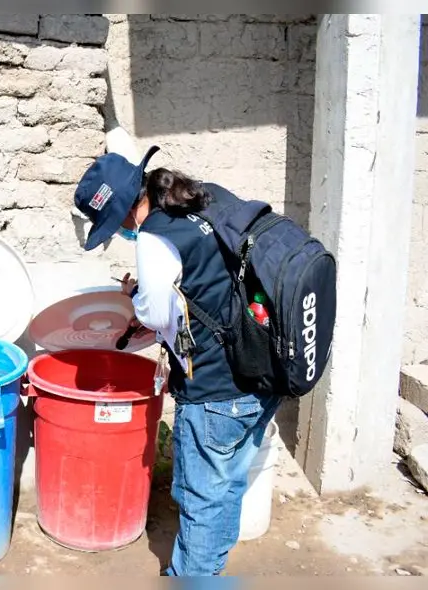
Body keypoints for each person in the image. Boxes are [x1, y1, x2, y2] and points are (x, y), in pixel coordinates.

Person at [74, 142, 281, 576]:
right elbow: (206, 283)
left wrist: (136, 298)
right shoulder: (203, 199)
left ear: (125, 212)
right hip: (260, 370)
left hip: (215, 392)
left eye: (114, 224)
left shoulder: (154, 237)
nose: (120, 232)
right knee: (226, 489)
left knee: (201, 502)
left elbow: (155, 315)